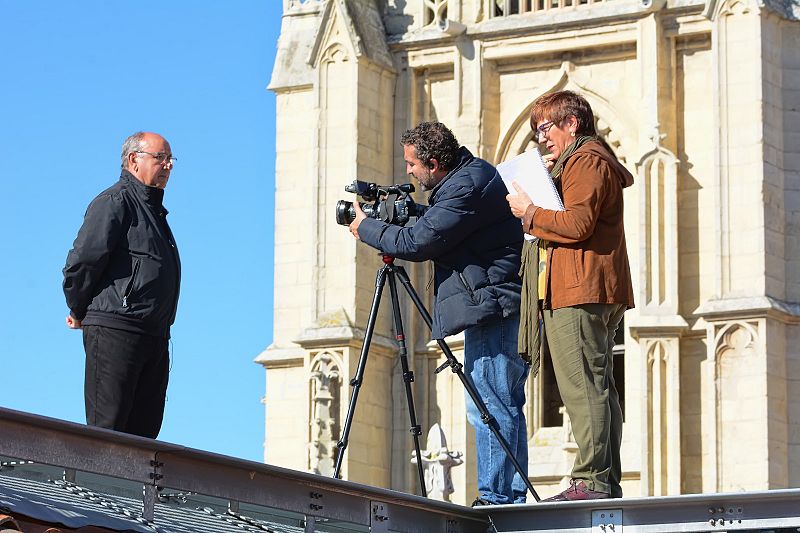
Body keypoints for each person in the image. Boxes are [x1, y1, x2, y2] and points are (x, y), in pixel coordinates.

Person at [348, 121, 528, 505]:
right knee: (494, 403)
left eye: (412, 164)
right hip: (490, 305)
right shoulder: (468, 178)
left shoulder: (468, 184)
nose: (409, 172)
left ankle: (499, 500)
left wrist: (365, 227)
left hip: (493, 308)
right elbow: (443, 221)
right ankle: (506, 495)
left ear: (433, 162)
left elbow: (418, 241)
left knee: (492, 405)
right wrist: (412, 209)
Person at [506, 90, 634, 501]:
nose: (541, 138)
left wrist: (530, 212)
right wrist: (551, 180)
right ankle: (602, 479)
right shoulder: (580, 162)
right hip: (584, 285)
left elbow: (577, 224)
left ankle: (591, 481)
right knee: (597, 384)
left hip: (580, 287)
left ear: (571, 123)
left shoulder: (588, 160)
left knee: (583, 385)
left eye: (545, 128)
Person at [63, 131, 181, 439]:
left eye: (170, 159)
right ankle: (101, 490)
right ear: (134, 159)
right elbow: (84, 260)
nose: (168, 165)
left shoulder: (155, 213)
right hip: (116, 330)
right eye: (161, 158)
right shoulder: (114, 201)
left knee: (144, 437)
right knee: (108, 433)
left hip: (154, 335)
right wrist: (77, 307)